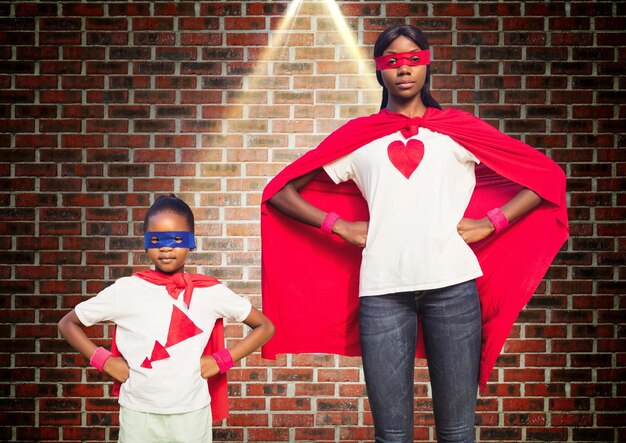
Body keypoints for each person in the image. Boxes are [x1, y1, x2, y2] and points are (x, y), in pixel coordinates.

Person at [260, 25, 568, 443]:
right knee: (391, 434)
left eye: (412, 59)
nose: (403, 70)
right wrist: (338, 225)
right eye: (392, 61)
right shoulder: (359, 138)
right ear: (378, 70)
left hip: (454, 289)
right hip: (382, 294)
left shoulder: (456, 130)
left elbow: (545, 177)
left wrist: (492, 221)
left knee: (457, 432)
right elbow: (279, 192)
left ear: (427, 63)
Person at [58, 194, 275, 443]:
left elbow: (265, 326)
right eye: (156, 239)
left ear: (192, 243)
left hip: (191, 414)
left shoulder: (210, 292)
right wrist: (105, 361)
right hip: (139, 412)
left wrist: (221, 360)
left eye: (177, 238)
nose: (166, 247)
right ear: (145, 243)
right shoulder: (126, 290)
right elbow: (68, 323)